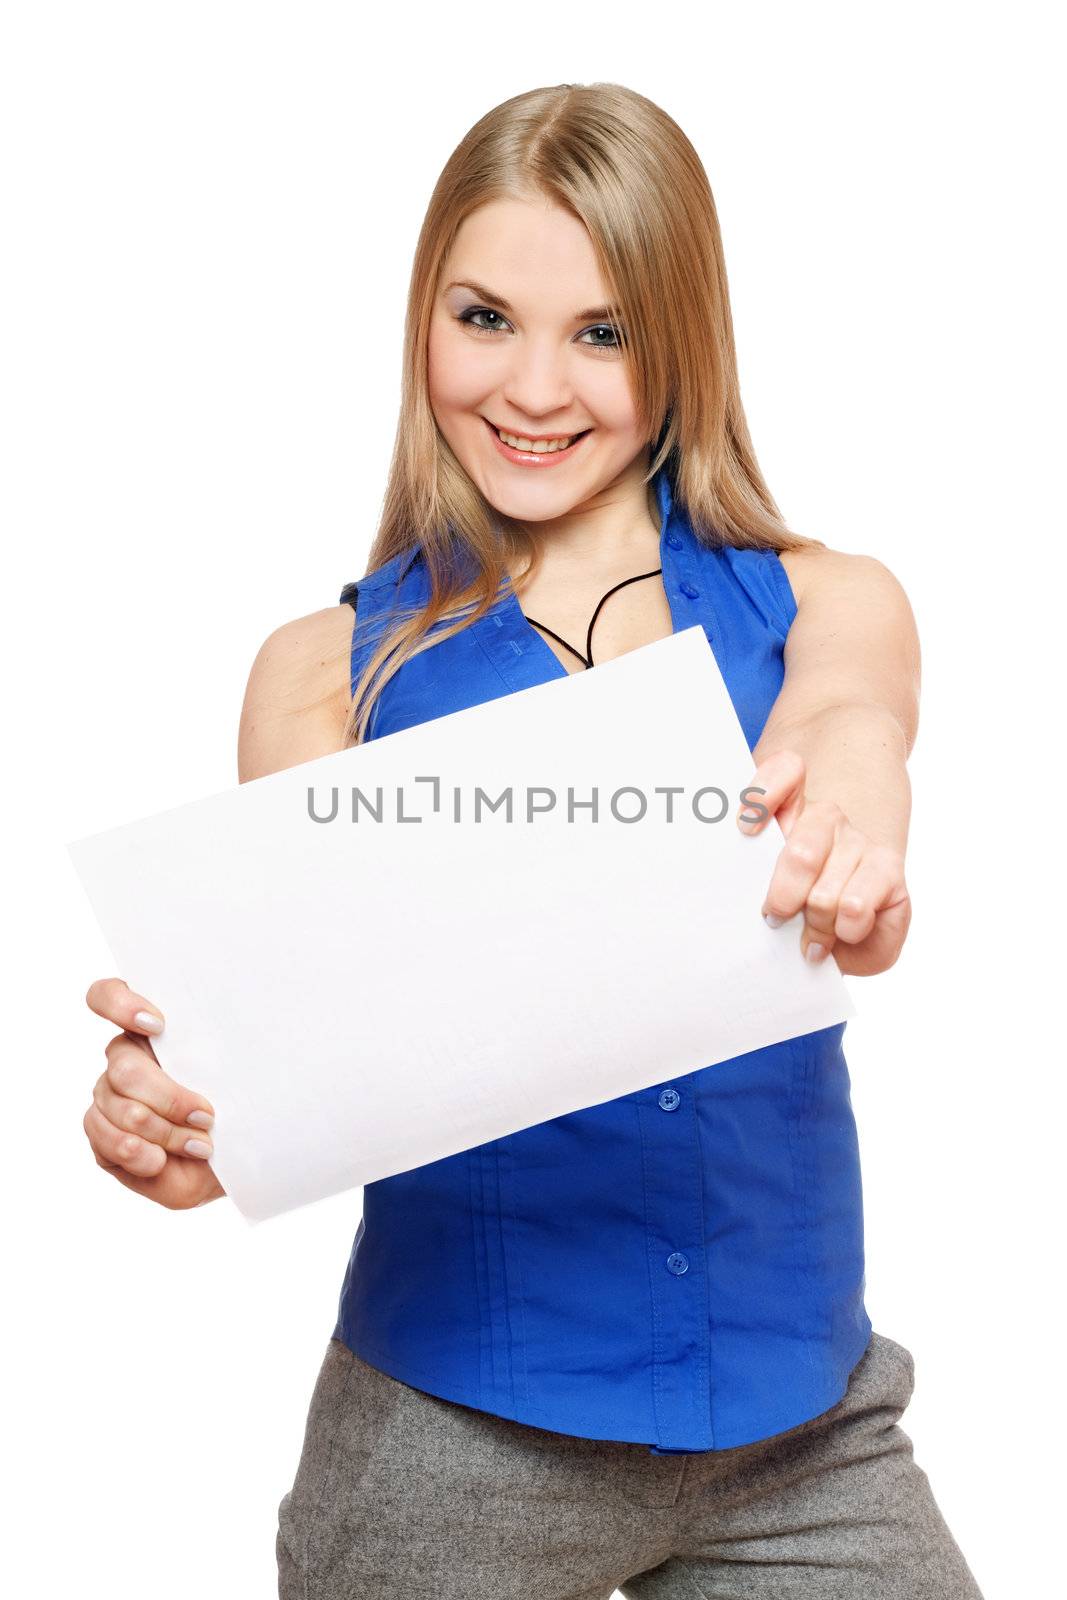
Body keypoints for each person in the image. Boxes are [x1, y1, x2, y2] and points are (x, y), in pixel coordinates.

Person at [80, 82, 985, 1599]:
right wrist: (184, 1113)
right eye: (485, 317)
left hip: (804, 1430)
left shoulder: (829, 601)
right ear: (421, 321)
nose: (535, 386)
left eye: (605, 332)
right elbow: (293, 1046)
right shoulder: (326, 675)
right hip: (453, 1442)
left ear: (681, 342)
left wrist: (853, 827)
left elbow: (849, 723)